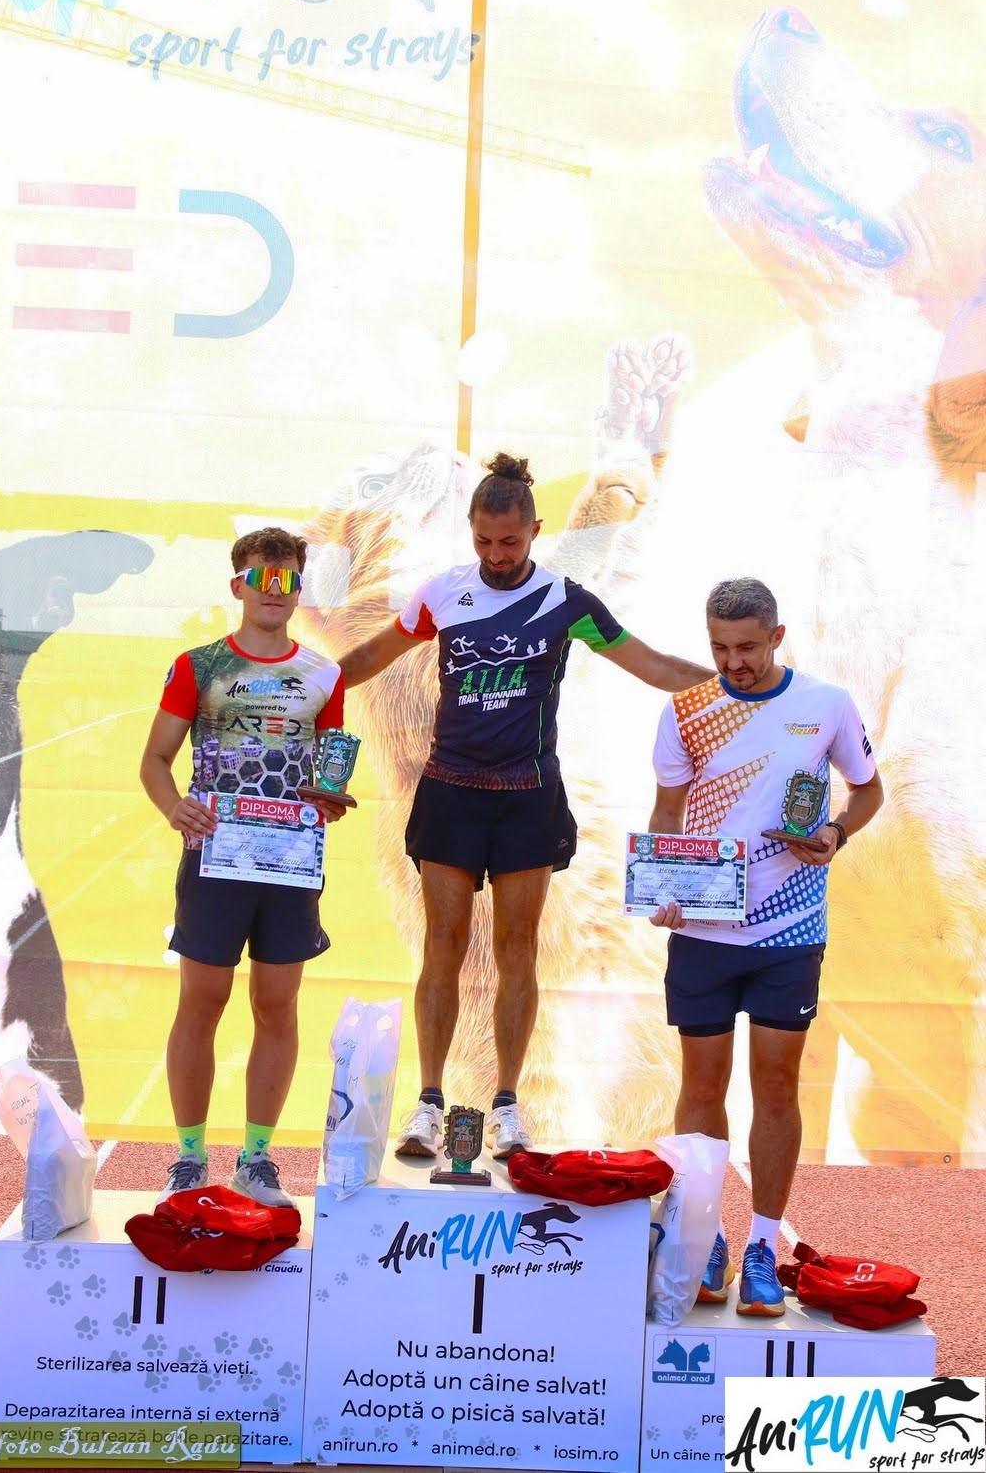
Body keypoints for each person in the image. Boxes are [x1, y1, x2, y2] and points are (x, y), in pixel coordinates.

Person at [337, 452, 711, 1160]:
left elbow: (653, 665)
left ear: (534, 531)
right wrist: (301, 690)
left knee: (517, 953)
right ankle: (428, 1103)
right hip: (451, 794)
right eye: (483, 540)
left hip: (527, 799)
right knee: (444, 948)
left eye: (509, 542)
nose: (496, 555)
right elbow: (368, 659)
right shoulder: (441, 595)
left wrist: (740, 684)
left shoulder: (567, 602)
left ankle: (507, 1108)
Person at [648, 577, 883, 1315]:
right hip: (703, 930)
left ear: (777, 637)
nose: (733, 662)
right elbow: (667, 811)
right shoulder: (687, 709)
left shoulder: (826, 704)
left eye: (748, 647)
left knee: (777, 1085)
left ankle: (761, 1245)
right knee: (702, 1085)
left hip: (790, 929)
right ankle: (708, 1237)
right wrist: (662, 883)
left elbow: (868, 791)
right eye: (720, 647)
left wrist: (836, 833)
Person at [140, 527, 346, 1207]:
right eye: (263, 578)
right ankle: (189, 1158)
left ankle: (257, 1159)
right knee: (202, 1002)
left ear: (299, 588)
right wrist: (173, 807)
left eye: (288, 580)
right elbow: (155, 760)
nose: (274, 591)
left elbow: (330, 772)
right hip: (215, 857)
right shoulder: (197, 666)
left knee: (276, 1005)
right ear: (239, 585)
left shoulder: (324, 675)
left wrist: (330, 798)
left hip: (289, 862)